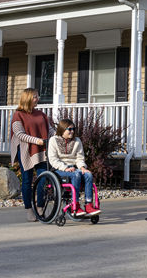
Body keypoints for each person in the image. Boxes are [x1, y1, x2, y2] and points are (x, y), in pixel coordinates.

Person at [11, 87, 51, 222]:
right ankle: (29, 209)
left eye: (37, 96)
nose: (37, 99)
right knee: (27, 181)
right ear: (27, 98)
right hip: (26, 151)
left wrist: (59, 138)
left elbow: (50, 130)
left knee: (43, 179)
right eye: (35, 96)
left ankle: (40, 207)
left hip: (41, 151)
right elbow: (19, 134)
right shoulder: (18, 115)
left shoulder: (41, 114)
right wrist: (37, 140)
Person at [48, 118, 98, 215]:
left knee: (88, 175)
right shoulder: (53, 140)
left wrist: (83, 167)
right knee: (76, 175)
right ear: (62, 129)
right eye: (69, 129)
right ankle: (75, 204)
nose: (72, 131)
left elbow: (79, 157)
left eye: (73, 129)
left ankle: (88, 205)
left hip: (74, 168)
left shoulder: (77, 141)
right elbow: (53, 159)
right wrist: (65, 168)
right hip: (59, 169)